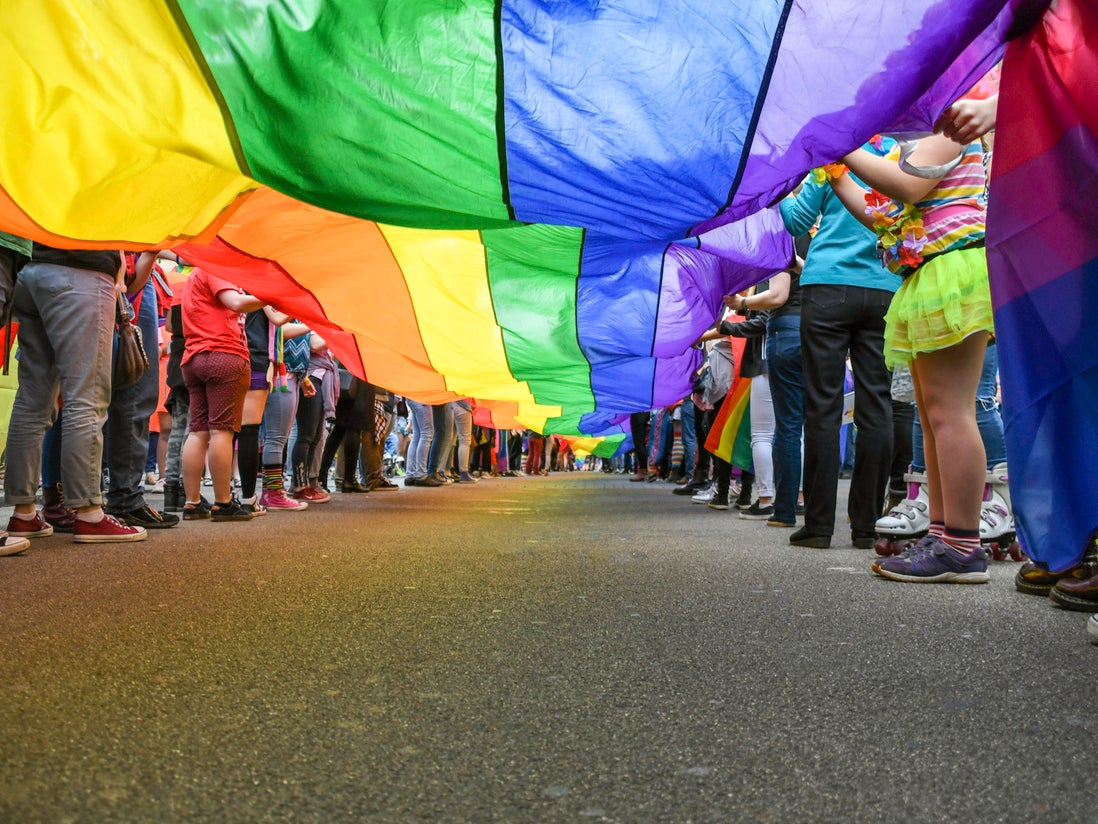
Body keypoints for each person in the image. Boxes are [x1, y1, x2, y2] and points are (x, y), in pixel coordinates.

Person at [828, 128, 993, 583]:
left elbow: (907, 186)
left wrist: (839, 144)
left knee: (950, 412)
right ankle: (943, 535)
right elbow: (882, 213)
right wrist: (836, 172)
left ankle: (961, 544)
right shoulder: (915, 142)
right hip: (928, 274)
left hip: (952, 270)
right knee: (932, 412)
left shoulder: (951, 124)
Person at [781, 141, 901, 550]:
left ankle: (817, 526)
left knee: (823, 405)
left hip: (827, 286)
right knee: (876, 404)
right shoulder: (901, 154)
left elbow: (798, 222)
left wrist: (777, 193)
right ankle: (867, 526)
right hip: (885, 289)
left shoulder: (839, 152)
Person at [5, 245, 146, 543]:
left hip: (31, 269)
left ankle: (23, 512)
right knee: (86, 397)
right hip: (82, 270)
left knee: (32, 399)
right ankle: (89, 513)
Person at [180, 266, 267, 521]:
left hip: (194, 356)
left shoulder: (195, 274)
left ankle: (192, 502)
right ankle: (223, 502)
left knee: (198, 431)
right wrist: (273, 296)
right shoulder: (214, 268)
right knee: (222, 431)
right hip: (223, 354)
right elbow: (237, 303)